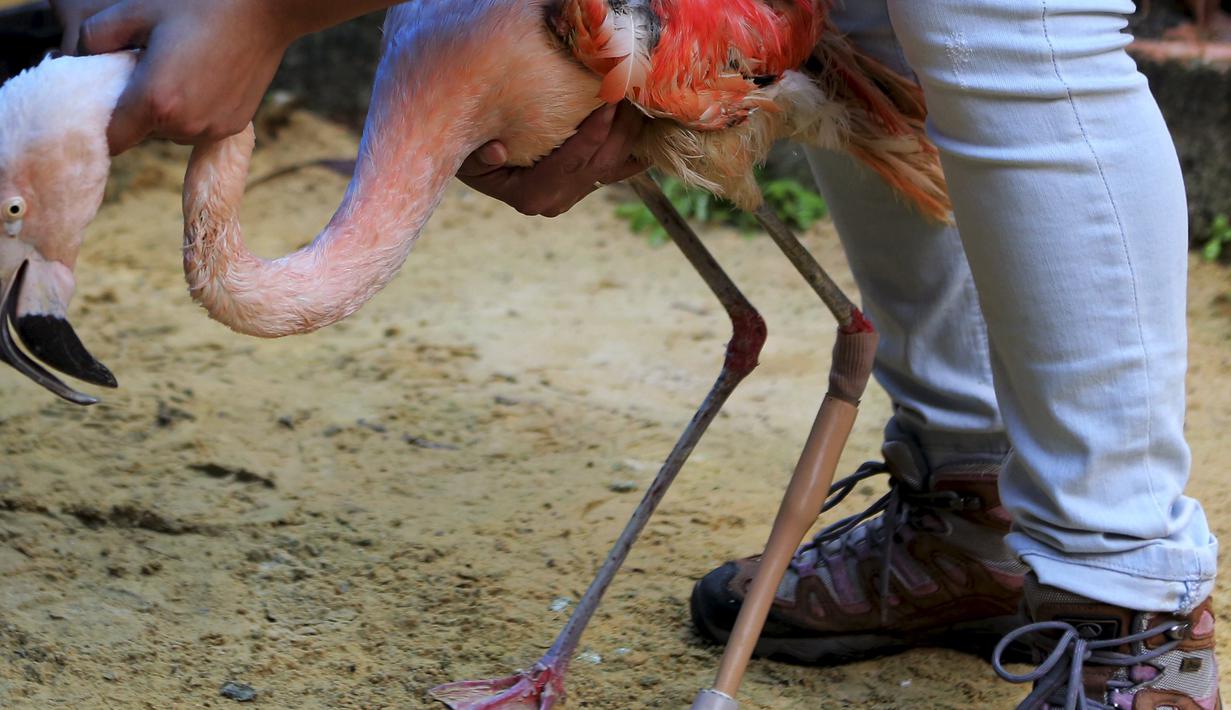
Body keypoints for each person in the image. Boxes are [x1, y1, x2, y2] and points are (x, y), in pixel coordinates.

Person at [49, 1, 1221, 707]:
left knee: (999, 20)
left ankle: (1137, 610)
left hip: (717, 60)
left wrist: (257, 14)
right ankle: (973, 503)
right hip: (628, 42)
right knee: (871, 7)